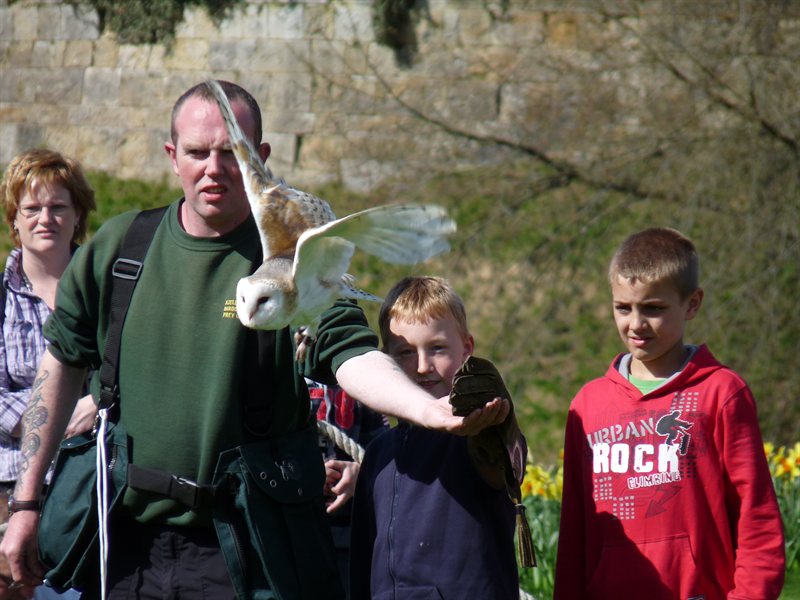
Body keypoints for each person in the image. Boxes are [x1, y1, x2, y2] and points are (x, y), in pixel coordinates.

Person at [0, 81, 507, 600]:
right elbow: (60, 362)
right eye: (197, 152)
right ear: (173, 157)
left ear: (259, 158)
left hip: (245, 548)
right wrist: (25, 502)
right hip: (128, 546)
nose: (213, 168)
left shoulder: (291, 263)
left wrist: (428, 410)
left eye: (229, 153)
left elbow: (353, 356)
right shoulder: (121, 249)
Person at [554, 227, 785, 599]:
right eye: (623, 308)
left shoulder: (722, 393)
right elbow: (574, 534)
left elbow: (756, 518)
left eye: (653, 309)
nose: (635, 324)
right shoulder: (588, 405)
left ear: (692, 304)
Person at [349, 276, 526, 600]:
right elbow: (361, 563)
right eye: (404, 352)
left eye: (437, 348)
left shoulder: (476, 436)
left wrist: (488, 423)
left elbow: (501, 461)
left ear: (467, 350)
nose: (422, 366)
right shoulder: (378, 454)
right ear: (385, 360)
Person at [0, 149, 98, 600]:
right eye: (31, 209)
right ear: (13, 219)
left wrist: (95, 404)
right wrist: (51, 416)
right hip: (6, 482)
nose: (46, 219)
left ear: (77, 215)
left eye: (58, 207)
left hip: (87, 482)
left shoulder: (108, 292)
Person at [307, 379, 389, 595]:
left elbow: (382, 453)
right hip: (289, 533)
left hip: (348, 536)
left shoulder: (358, 374)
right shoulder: (275, 368)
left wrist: (359, 473)